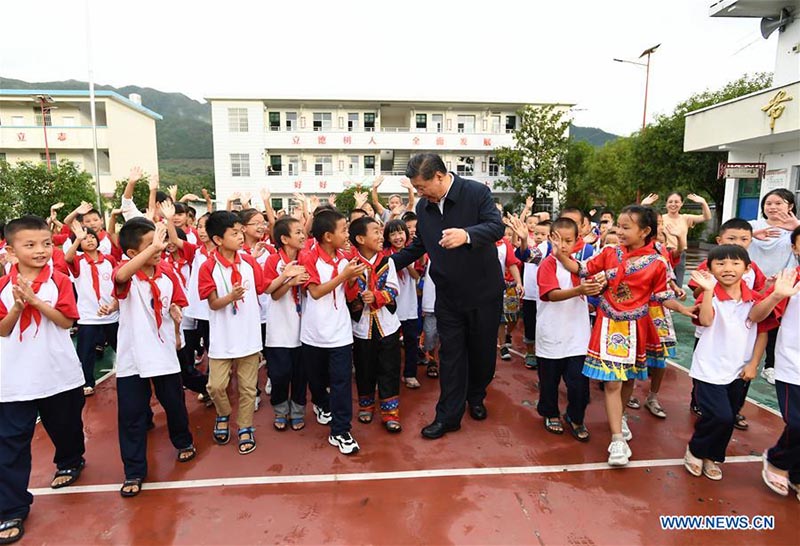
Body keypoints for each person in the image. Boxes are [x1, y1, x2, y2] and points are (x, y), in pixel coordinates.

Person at [552, 205, 696, 466]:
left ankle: (620, 417)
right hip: (608, 323)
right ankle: (617, 439)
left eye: (626, 227)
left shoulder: (657, 263)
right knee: (612, 383)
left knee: (628, 378)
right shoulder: (609, 252)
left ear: (645, 231)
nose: (619, 231)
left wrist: (683, 309)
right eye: (618, 225)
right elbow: (582, 269)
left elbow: (662, 297)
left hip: (637, 326)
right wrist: (561, 255)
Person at [389, 153, 505, 440]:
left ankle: (475, 395)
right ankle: (448, 416)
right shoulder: (424, 208)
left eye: (421, 187)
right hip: (449, 296)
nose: (419, 193)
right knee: (451, 356)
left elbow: (496, 227)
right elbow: (420, 244)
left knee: (482, 353)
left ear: (439, 177)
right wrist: (387, 263)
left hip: (483, 293)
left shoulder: (475, 193)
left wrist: (467, 235)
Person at [0, 216, 87, 545]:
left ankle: (70, 460)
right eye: (30, 245)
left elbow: (66, 321)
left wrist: (35, 302)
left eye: (46, 244)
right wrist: (17, 307)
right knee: (10, 443)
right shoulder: (2, 286)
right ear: (11, 251)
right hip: (14, 378)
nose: (41, 250)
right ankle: (12, 507)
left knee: (65, 426)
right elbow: (3, 330)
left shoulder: (59, 281)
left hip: (57, 373)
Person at [113, 218, 196, 498]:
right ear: (132, 253)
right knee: (131, 416)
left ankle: (183, 441)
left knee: (174, 404)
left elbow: (177, 303)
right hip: (133, 358)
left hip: (163, 353)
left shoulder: (167, 274)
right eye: (150, 244)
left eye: (159, 242)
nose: (159, 248)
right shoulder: (127, 275)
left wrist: (175, 314)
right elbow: (120, 277)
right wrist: (154, 247)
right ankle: (134, 470)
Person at [684, 245, 768, 481]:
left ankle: (712, 456)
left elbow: (762, 333)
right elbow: (705, 321)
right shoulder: (708, 296)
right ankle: (696, 449)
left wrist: (753, 364)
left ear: (747, 269)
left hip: (739, 369)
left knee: (729, 416)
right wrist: (708, 291)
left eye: (735, 263)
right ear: (710, 269)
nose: (728, 268)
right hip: (708, 367)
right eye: (720, 264)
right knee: (719, 415)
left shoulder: (755, 300)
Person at [687, 218, 767, 426]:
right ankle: (700, 402)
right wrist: (707, 287)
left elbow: (759, 291)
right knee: (706, 370)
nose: (738, 242)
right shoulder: (712, 263)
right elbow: (697, 292)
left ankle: (733, 410)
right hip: (712, 327)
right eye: (732, 238)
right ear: (719, 240)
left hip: (740, 326)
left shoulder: (752, 269)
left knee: (739, 376)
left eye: (744, 239)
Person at [198, 211, 266, 455]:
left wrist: (285, 277)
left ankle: (245, 426)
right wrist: (231, 297)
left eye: (240, 232)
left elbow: (263, 288)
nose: (240, 237)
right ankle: (224, 413)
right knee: (216, 387)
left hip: (248, 336)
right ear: (218, 239)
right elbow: (213, 304)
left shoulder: (249, 263)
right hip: (223, 339)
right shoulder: (208, 267)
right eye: (234, 233)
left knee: (248, 388)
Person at [299, 209, 366, 454]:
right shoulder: (308, 257)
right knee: (316, 379)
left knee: (341, 382)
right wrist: (343, 275)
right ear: (328, 236)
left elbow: (348, 295)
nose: (348, 234)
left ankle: (340, 431)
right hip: (314, 333)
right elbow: (315, 292)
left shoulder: (345, 259)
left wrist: (351, 280)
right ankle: (320, 402)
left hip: (340, 332)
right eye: (344, 230)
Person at [536, 217, 602, 441]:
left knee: (579, 384)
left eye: (568, 240)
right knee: (549, 381)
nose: (563, 245)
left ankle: (575, 417)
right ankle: (550, 413)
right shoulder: (547, 264)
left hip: (578, 336)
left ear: (577, 241)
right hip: (552, 333)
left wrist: (592, 292)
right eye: (558, 239)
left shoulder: (580, 266)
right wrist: (579, 290)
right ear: (550, 238)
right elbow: (551, 294)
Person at [747, 256, 800, 498]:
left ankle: (797, 474)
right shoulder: (790, 280)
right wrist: (777, 294)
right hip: (793, 366)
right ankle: (778, 460)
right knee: (797, 423)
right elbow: (757, 316)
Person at [346, 217, 402, 432]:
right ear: (361, 239)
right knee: (364, 367)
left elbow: (394, 289)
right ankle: (366, 405)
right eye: (376, 232)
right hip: (362, 327)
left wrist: (377, 296)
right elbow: (345, 292)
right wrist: (356, 290)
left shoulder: (388, 262)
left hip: (387, 325)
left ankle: (390, 412)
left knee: (390, 367)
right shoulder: (351, 265)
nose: (381, 236)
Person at [747, 188, 800, 385]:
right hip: (754, 283)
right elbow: (730, 236)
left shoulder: (796, 229)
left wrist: (796, 226)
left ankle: (770, 365)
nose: (773, 207)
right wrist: (753, 235)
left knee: (775, 325)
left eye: (779, 203)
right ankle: (744, 359)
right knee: (748, 321)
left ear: (790, 206)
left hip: (782, 283)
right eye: (768, 203)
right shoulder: (753, 225)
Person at [263, 217, 310, 431]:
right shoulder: (273, 261)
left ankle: (298, 411)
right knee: (280, 374)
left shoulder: (307, 258)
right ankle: (281, 410)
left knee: (300, 374)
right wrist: (289, 280)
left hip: (304, 327)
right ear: (284, 238)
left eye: (302, 231)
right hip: (279, 328)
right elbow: (271, 293)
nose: (303, 235)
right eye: (297, 232)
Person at [64, 220, 119, 396]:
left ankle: (132, 371)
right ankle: (87, 382)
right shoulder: (78, 261)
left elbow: (118, 282)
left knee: (121, 345)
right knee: (85, 351)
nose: (89, 240)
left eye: (92, 237)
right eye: (84, 238)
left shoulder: (109, 260)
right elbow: (67, 258)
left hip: (111, 313)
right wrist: (77, 239)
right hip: (88, 315)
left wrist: (114, 304)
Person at [641, 192, 712, 287]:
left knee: (677, 282)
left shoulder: (686, 218)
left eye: (676, 202)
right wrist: (643, 205)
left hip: (679, 252)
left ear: (682, 203)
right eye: (670, 202)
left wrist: (703, 202)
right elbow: (641, 220)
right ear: (666, 204)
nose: (673, 204)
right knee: (660, 281)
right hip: (661, 251)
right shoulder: (660, 218)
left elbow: (706, 217)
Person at [383, 219, 422, 389]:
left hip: (409, 305)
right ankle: (389, 376)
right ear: (387, 237)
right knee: (389, 345)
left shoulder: (412, 252)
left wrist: (407, 263)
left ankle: (410, 374)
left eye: (400, 233)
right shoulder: (384, 255)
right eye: (393, 234)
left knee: (411, 341)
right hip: (390, 307)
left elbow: (416, 276)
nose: (397, 237)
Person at [518, 220, 551, 369]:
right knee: (530, 324)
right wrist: (524, 240)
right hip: (530, 294)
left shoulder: (546, 247)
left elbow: (527, 255)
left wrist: (524, 241)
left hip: (544, 295)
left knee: (543, 325)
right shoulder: (535, 246)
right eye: (536, 233)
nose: (539, 236)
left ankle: (543, 354)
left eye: (543, 234)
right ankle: (531, 353)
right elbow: (522, 254)